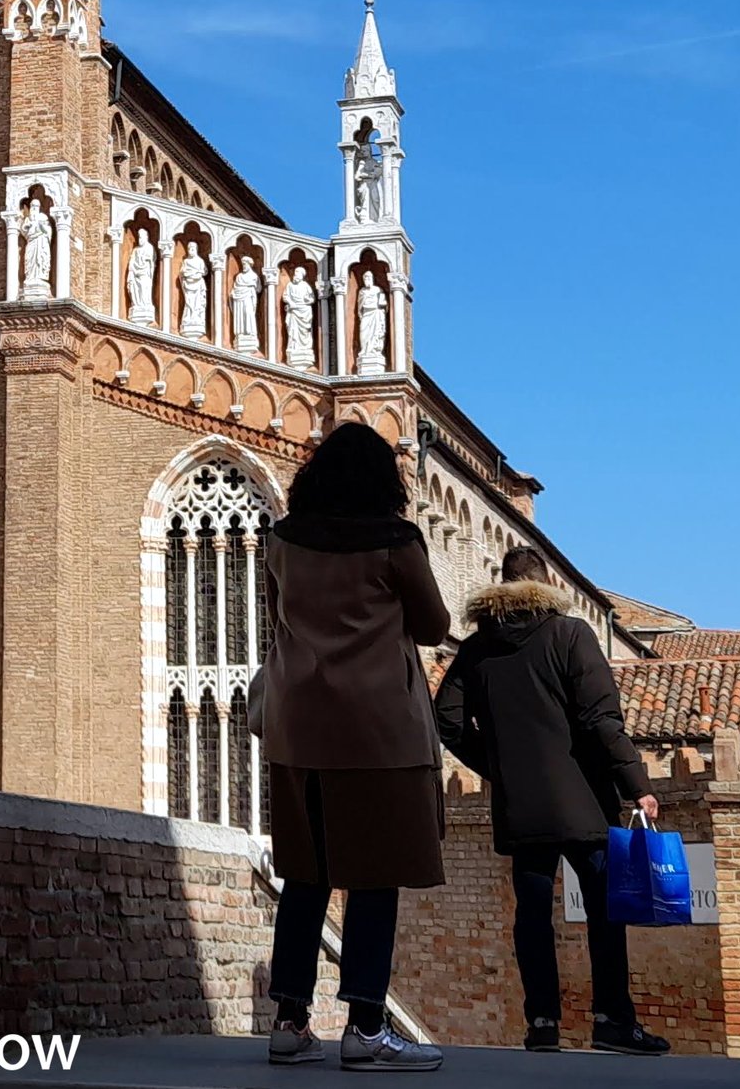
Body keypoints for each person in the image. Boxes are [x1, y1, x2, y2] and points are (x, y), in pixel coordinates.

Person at [257, 422, 451, 1072]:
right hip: (375, 733)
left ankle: (288, 1018)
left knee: (304, 875)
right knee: (373, 875)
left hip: (297, 727)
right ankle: (366, 1025)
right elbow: (433, 624)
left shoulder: (281, 542)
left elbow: (275, 612)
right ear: (382, 481)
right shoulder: (394, 541)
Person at [435, 546, 671, 1057]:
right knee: (605, 913)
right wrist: (638, 783)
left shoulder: (477, 649)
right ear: (545, 586)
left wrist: (497, 767)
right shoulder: (570, 635)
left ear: (502, 586)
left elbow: (448, 720)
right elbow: (600, 719)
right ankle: (612, 1021)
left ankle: (541, 1022)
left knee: (532, 914)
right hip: (583, 798)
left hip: (523, 807)